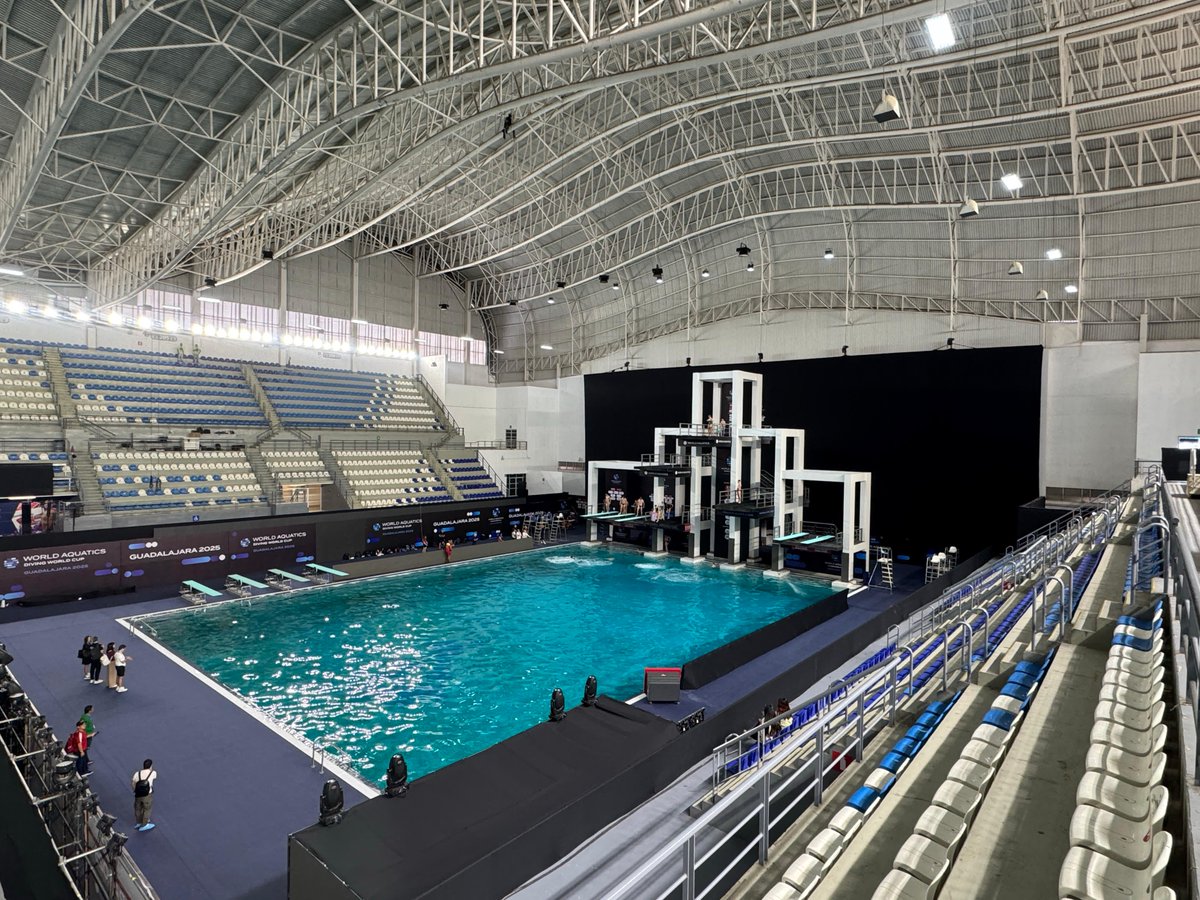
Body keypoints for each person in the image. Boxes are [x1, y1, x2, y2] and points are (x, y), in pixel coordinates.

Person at [131, 759, 157, 831]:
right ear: (150, 766)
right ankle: (144, 825)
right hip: (147, 795)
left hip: (138, 794)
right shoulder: (153, 773)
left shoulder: (137, 774)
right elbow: (154, 777)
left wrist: (135, 790)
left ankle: (139, 822)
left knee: (138, 808)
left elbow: (133, 782)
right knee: (147, 809)